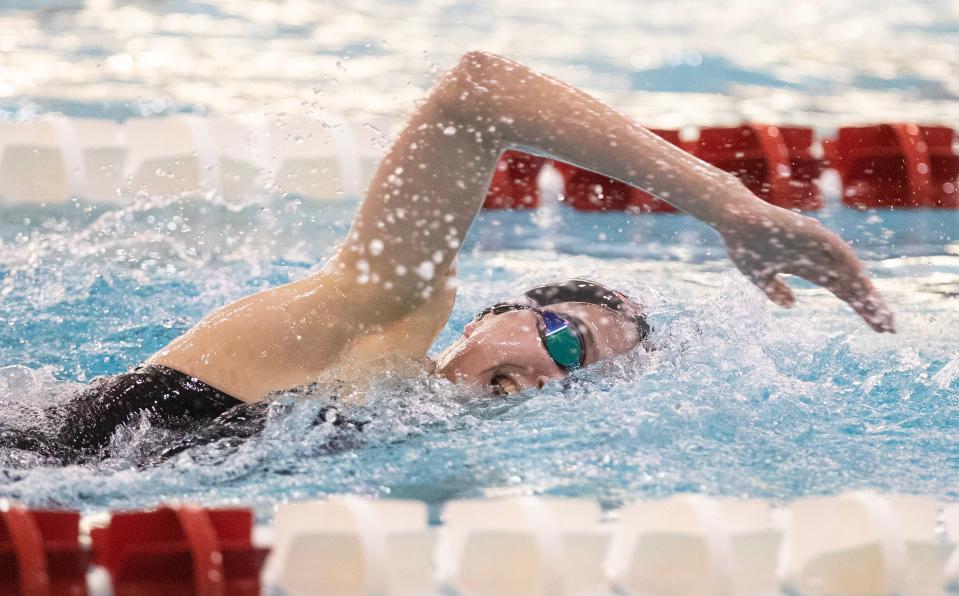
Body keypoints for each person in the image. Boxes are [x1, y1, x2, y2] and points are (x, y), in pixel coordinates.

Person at [2, 51, 894, 463]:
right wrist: (731, 205)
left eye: (585, 379)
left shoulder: (410, 440)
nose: (556, 373)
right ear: (491, 314)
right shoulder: (381, 317)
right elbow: (477, 93)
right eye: (568, 338)